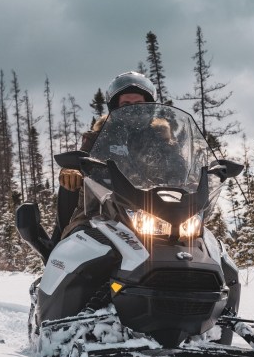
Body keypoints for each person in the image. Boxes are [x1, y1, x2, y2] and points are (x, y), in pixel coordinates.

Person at [53, 71, 183, 240]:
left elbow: (181, 169)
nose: (133, 108)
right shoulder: (99, 137)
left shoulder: (162, 140)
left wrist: (203, 178)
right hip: (102, 212)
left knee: (203, 243)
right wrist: (72, 171)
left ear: (149, 106)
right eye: (126, 104)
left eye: (138, 103)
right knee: (80, 237)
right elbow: (80, 160)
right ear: (115, 107)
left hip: (157, 215)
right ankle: (58, 247)